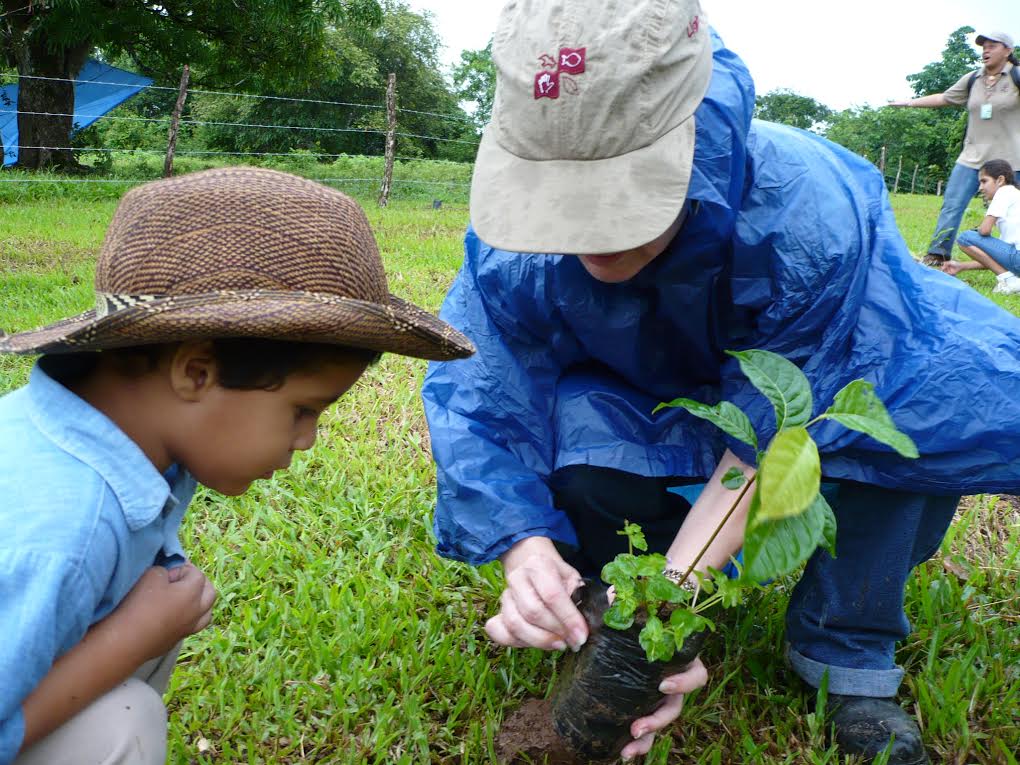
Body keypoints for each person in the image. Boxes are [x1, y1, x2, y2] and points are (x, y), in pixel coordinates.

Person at [421, 2, 1020, 764]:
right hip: (658, 397)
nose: (592, 238)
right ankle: (604, 593)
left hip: (832, 380)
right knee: (578, 436)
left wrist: (674, 597)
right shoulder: (516, 252)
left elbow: (776, 427)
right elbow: (483, 392)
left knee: (901, 414)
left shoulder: (804, 214)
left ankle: (846, 655)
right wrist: (521, 544)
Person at [0, 167, 473, 765]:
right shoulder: (62, 530)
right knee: (124, 726)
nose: (308, 440)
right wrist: (127, 641)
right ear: (196, 373)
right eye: (302, 410)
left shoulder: (124, 440)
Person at [890, 30, 1020, 267]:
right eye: (984, 46)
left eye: (993, 46)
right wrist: (910, 102)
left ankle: (1010, 259)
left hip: (1011, 161)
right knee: (952, 205)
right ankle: (937, 254)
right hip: (971, 158)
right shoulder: (973, 79)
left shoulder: (1016, 77)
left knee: (1015, 214)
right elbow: (944, 98)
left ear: (1008, 51)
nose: (986, 50)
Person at [941, 158, 1020, 293]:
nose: (980, 188)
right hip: (1015, 257)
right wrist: (961, 266)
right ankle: (1010, 278)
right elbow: (995, 258)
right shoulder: (1015, 195)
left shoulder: (1004, 192)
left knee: (965, 238)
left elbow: (984, 230)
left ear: (1000, 180)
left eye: (984, 181)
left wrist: (979, 229)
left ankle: (1010, 281)